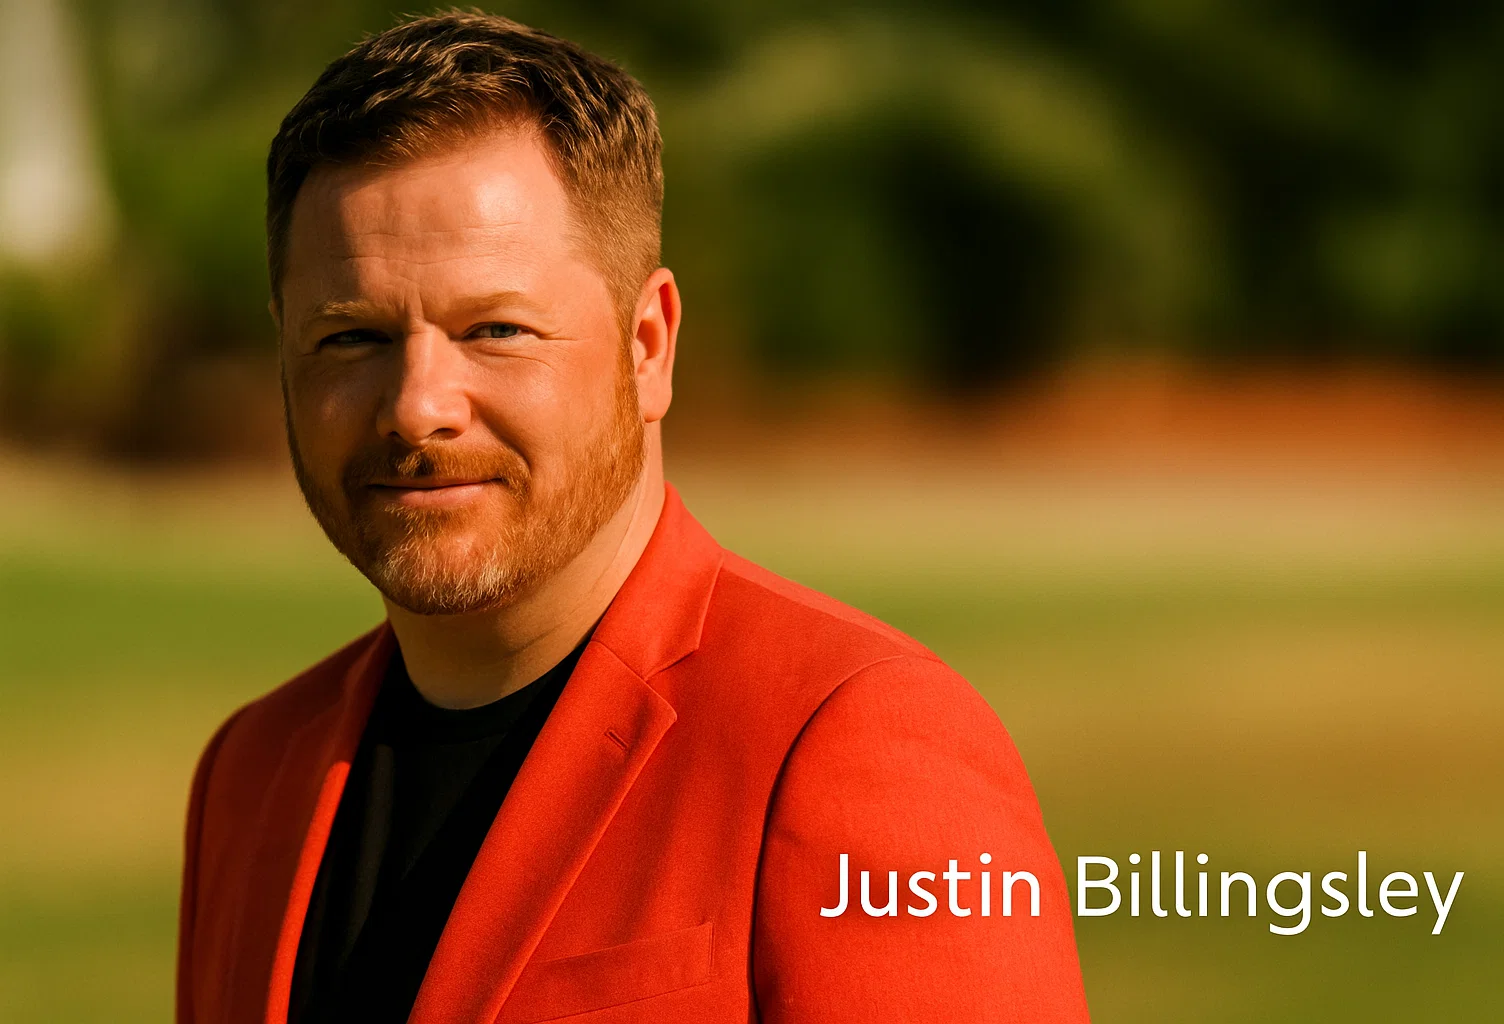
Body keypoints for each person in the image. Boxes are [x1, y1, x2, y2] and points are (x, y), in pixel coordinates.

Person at [175, 11, 1090, 1023]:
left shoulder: (854, 742)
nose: (416, 405)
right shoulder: (249, 774)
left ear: (647, 345)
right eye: (351, 338)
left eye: (496, 329)